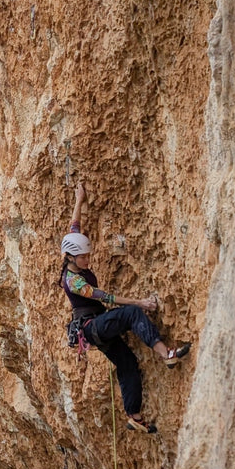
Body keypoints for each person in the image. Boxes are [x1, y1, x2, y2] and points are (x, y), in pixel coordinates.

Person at [59, 182, 190, 434]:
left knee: (127, 362)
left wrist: (79, 200)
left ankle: (134, 416)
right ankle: (167, 355)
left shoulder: (72, 256)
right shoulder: (74, 281)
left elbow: (74, 228)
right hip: (93, 327)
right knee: (131, 314)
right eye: (84, 257)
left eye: (87, 255)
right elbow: (106, 297)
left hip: (95, 329)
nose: (88, 260)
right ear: (72, 258)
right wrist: (140, 302)